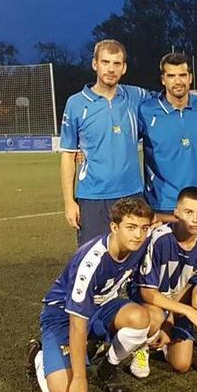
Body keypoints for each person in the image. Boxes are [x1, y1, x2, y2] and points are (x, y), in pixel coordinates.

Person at [27, 197, 154, 392]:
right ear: (114, 227)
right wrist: (79, 377)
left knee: (141, 318)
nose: (138, 235)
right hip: (63, 315)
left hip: (102, 306)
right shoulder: (91, 261)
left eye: (144, 228)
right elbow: (77, 324)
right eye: (131, 227)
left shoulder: (142, 242)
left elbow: (171, 224)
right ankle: (39, 355)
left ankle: (107, 367)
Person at [59, 40, 150, 245]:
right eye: (105, 62)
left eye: (117, 63)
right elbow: (68, 154)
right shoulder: (76, 103)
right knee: (94, 257)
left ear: (124, 68)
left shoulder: (136, 96)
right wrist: (69, 202)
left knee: (134, 258)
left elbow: (166, 101)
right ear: (94, 64)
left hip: (132, 193)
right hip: (93, 196)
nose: (111, 69)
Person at [126, 187, 197, 377]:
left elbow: (189, 286)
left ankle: (167, 341)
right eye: (188, 212)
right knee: (153, 317)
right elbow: (147, 293)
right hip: (150, 302)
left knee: (182, 365)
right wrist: (185, 313)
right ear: (176, 213)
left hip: (174, 304)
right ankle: (141, 347)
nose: (195, 219)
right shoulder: (159, 239)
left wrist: (170, 320)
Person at [138, 53, 197, 222]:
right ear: (163, 79)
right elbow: (123, 141)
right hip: (163, 206)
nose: (177, 81)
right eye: (171, 76)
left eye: (182, 75)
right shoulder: (146, 111)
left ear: (190, 78)